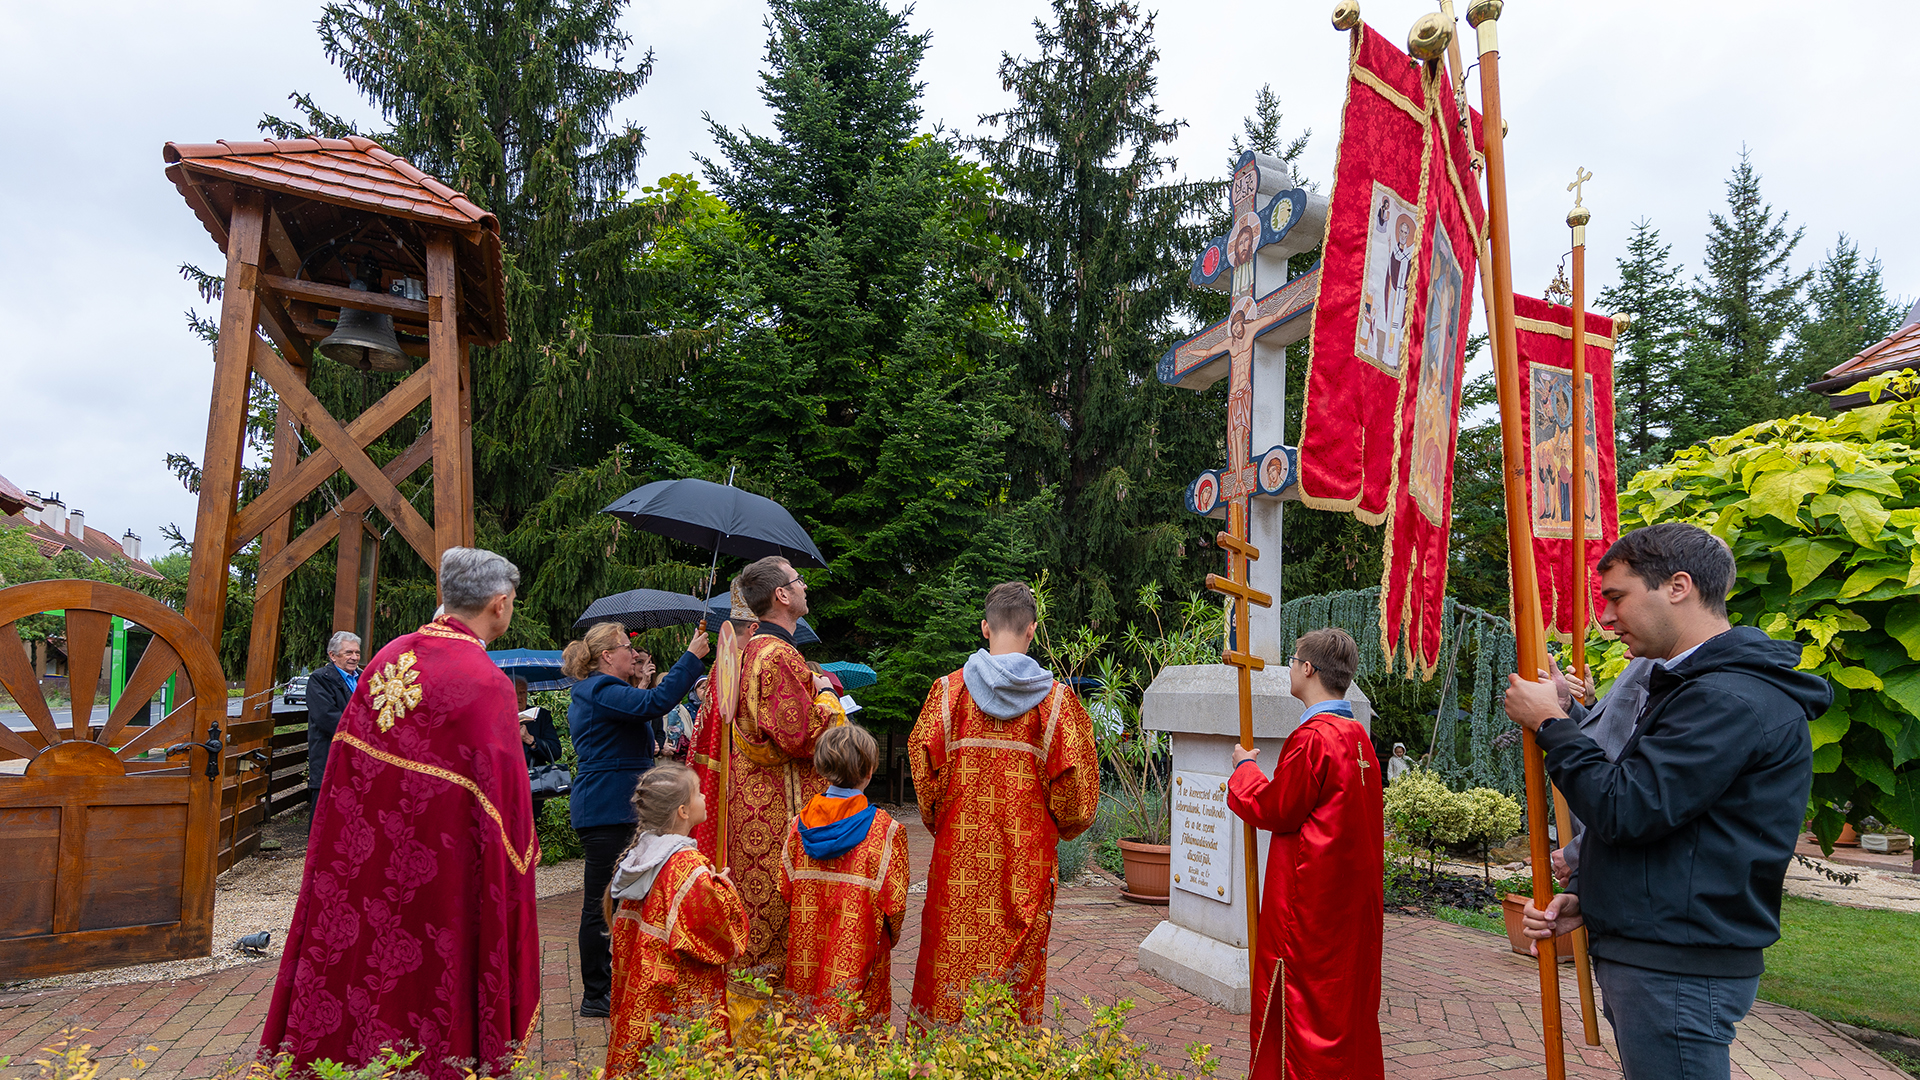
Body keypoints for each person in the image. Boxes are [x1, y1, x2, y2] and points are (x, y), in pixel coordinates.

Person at [1505, 523, 1831, 1080]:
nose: (1605, 617)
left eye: (1616, 596)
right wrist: (1592, 898)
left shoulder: (1726, 698)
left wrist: (1552, 726)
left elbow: (1624, 808)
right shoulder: (1699, 688)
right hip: (1663, 953)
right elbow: (1680, 829)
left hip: (1676, 968)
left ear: (1678, 586)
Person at [261, 548, 537, 1079]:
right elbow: (508, 819)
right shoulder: (487, 684)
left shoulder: (389, 657)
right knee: (430, 981)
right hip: (446, 877)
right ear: (499, 605)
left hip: (364, 867)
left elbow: (349, 774)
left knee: (365, 971)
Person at [909, 581, 1099, 1023]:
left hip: (957, 861)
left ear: (984, 628)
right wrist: (1060, 829)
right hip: (1025, 867)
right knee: (1014, 982)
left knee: (948, 973)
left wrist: (944, 820)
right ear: (1032, 630)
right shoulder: (1057, 704)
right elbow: (1077, 802)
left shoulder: (947, 694)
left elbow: (924, 773)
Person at [1228, 628, 1384, 1080]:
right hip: (1349, 908)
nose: (1290, 669)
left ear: (1308, 669)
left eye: (1294, 661)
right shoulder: (1359, 740)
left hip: (1308, 907)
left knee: (1302, 1012)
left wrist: (1244, 770)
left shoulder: (1314, 738)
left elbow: (1276, 808)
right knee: (1341, 1009)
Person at [562, 620, 709, 1019]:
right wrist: (691, 659)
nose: (636, 653)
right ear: (607, 655)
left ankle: (620, 979)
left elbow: (642, 710)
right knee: (602, 900)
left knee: (623, 895)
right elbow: (653, 705)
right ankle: (596, 993)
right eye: (627, 647)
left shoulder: (606, 690)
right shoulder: (600, 689)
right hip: (608, 807)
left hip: (614, 804)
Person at [724, 556, 847, 971]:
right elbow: (803, 737)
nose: (805, 587)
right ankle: (774, 1022)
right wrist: (827, 694)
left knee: (757, 909)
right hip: (779, 808)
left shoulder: (749, 652)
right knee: (777, 912)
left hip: (751, 800)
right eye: (798, 581)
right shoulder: (778, 655)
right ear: (781, 595)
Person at [603, 763, 747, 1073]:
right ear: (683, 811)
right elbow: (720, 939)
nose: (705, 796)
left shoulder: (640, 857)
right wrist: (723, 891)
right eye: (697, 793)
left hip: (643, 993)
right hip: (681, 998)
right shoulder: (687, 866)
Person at [779, 723, 909, 1028]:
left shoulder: (799, 826)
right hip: (858, 947)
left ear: (822, 766)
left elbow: (785, 889)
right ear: (870, 770)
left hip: (806, 947)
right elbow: (896, 904)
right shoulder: (886, 830)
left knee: (804, 1021)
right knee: (856, 1027)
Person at [302, 631, 360, 822]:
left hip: (357, 758)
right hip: (330, 753)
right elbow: (327, 717)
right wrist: (364, 731)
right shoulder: (320, 679)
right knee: (324, 812)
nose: (354, 658)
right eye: (348, 653)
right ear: (333, 655)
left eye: (357, 653)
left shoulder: (364, 678)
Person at [514, 675, 562, 767]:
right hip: (506, 777)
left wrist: (529, 739)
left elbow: (555, 752)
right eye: (513, 692)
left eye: (522, 692)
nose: (518, 697)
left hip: (536, 778)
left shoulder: (541, 716)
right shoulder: (496, 718)